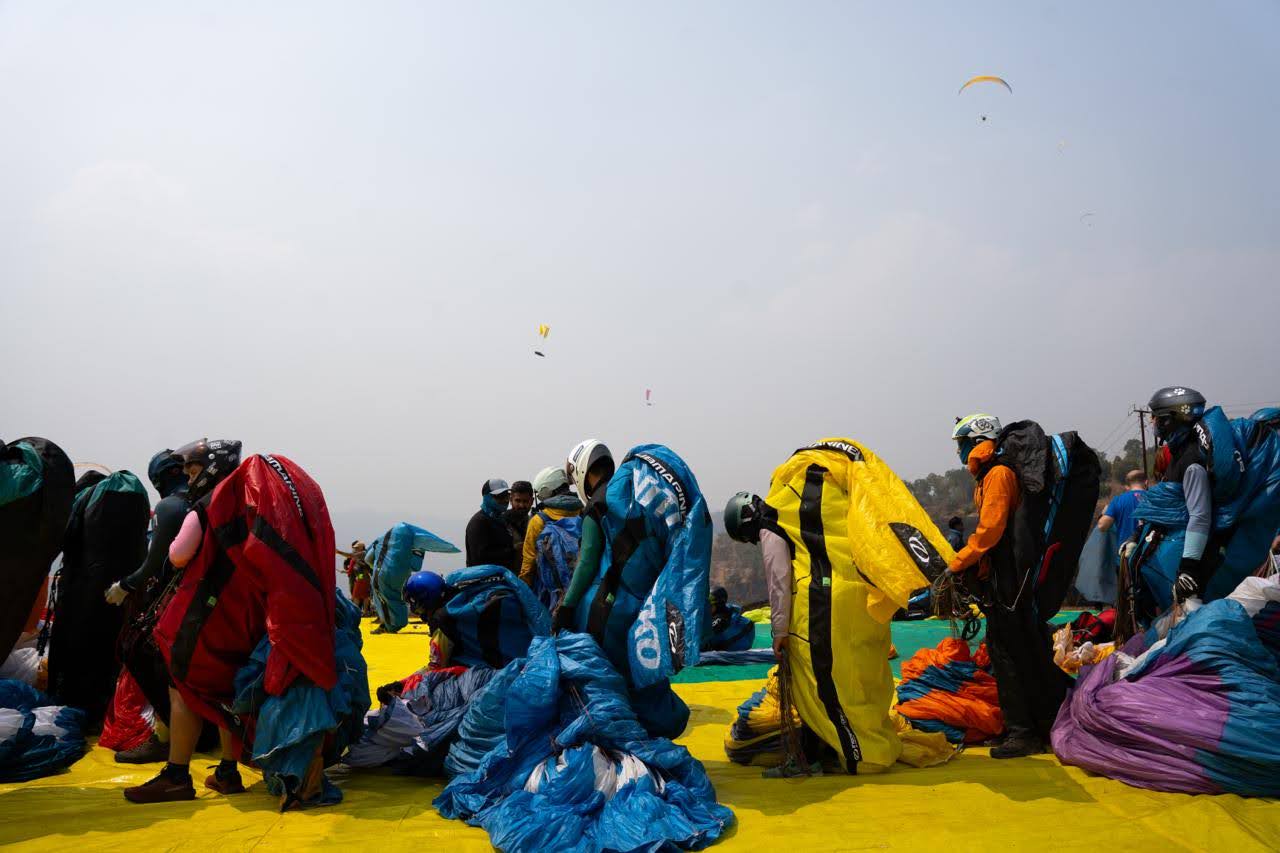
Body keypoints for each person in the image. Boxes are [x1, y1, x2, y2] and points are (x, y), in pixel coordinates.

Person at [553, 439, 712, 740]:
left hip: (604, 609)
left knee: (606, 681)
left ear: (582, 471)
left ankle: (622, 741)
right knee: (641, 679)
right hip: (641, 609)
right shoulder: (635, 498)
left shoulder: (598, 504)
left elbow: (587, 561)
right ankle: (657, 730)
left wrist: (567, 607)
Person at [948, 413, 1072, 759]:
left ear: (978, 441)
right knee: (1022, 649)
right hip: (1007, 577)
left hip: (1009, 580)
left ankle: (1024, 733)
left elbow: (990, 530)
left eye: (961, 443)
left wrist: (957, 563)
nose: (958, 451)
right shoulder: (990, 474)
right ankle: (1042, 723)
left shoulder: (999, 474)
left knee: (1009, 653)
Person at [104, 448, 194, 763]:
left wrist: (125, 586)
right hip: (208, 599)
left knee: (140, 653)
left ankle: (165, 736)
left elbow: (155, 562)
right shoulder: (207, 501)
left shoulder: (171, 506)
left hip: (177, 600)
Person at [1144, 387, 1212, 604]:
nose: (1152, 422)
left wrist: (1188, 569)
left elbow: (1199, 515)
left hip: (1191, 557)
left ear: (1168, 421)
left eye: (1155, 417)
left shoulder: (1191, 461)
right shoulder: (1178, 454)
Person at [517, 466, 583, 593]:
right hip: (582, 586)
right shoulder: (583, 512)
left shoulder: (538, 520)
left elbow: (529, 561)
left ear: (545, 491)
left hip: (551, 592)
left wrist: (523, 590)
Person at [464, 479, 517, 570]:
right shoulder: (479, 522)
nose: (505, 500)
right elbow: (480, 557)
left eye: (507, 495)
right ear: (487, 497)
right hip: (483, 577)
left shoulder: (501, 520)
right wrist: (513, 550)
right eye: (499, 496)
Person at [1098, 469, 1148, 543]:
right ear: (1146, 482)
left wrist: (1104, 513)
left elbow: (1102, 526)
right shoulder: (1156, 499)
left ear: (1128, 486)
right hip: (1153, 548)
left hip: (1127, 549)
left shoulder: (1117, 500)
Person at [344, 541, 373, 616]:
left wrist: (338, 552)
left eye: (357, 548)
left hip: (362, 578)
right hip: (359, 577)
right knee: (361, 595)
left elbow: (365, 567)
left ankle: (359, 612)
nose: (355, 549)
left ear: (361, 547)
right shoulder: (359, 555)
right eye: (355, 548)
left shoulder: (363, 553)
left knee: (357, 596)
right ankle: (362, 612)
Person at [505, 480, 534, 550]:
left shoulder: (535, 523)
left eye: (525, 501)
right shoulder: (501, 522)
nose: (521, 505)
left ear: (532, 501)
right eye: (518, 501)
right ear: (510, 500)